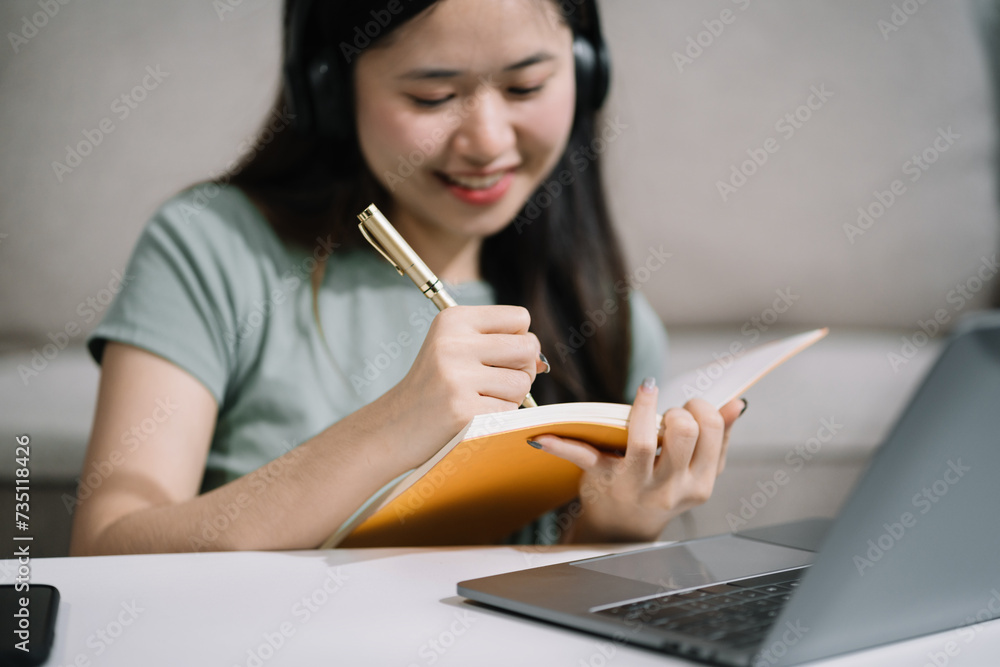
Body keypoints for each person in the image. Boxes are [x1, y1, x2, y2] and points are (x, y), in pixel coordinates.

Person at [69, 0, 745, 555]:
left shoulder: (608, 315)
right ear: (330, 92)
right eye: (434, 95)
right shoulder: (211, 248)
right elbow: (107, 549)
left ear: (588, 73)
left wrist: (614, 527)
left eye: (526, 87)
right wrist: (394, 426)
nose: (485, 140)